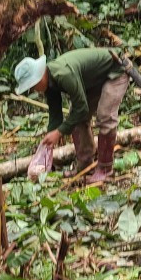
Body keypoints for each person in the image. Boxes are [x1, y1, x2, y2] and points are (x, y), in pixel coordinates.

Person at [13, 48, 131, 183]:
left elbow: (81, 108)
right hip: (94, 81)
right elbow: (55, 114)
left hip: (115, 72)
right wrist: (50, 137)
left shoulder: (63, 74)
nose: (34, 90)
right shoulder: (50, 83)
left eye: (33, 86)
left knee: (105, 116)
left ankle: (105, 169)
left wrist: (59, 132)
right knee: (75, 120)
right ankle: (85, 165)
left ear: (39, 77)